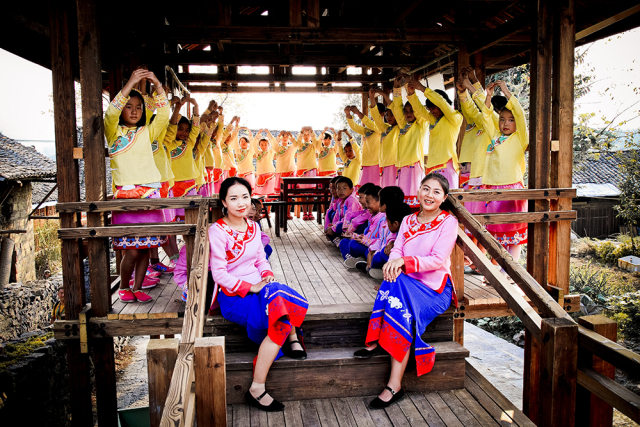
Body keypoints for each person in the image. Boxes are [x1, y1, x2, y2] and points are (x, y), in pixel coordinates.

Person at [354, 173, 458, 409]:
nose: (429, 195)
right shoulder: (409, 220)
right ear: (418, 191)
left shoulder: (448, 222)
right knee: (394, 281)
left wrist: (402, 263)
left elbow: (437, 259)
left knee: (394, 282)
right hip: (405, 282)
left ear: (444, 197)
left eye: (436, 191)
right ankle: (394, 384)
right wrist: (394, 262)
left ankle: (378, 344)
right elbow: (397, 248)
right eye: (425, 189)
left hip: (434, 288)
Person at [209, 177, 309, 412]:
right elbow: (219, 275)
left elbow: (260, 259)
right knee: (280, 308)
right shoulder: (218, 230)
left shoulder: (254, 227)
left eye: (245, 196)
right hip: (234, 297)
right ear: (224, 201)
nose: (241, 203)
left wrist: (266, 274)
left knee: (275, 295)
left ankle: (257, 388)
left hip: (262, 291)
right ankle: (292, 338)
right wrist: (252, 287)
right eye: (233, 198)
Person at [104, 69, 170, 303]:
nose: (134, 111)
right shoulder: (113, 132)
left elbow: (163, 114)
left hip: (150, 196)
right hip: (126, 199)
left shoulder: (147, 131)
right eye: (129, 107)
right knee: (131, 248)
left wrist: (157, 85)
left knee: (146, 247)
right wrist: (132, 82)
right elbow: (110, 113)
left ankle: (138, 286)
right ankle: (124, 286)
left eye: (139, 107)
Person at [482, 80, 529, 271]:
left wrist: (506, 91)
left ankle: (511, 273)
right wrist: (488, 96)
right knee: (497, 234)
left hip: (512, 189)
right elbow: (485, 117)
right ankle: (500, 270)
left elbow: (520, 112)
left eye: (510, 120)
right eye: (502, 119)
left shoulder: (520, 138)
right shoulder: (494, 137)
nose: (506, 123)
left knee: (514, 234)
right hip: (493, 190)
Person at [407, 75, 463, 191]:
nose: (432, 111)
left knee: (449, 202)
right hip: (432, 166)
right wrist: (411, 95)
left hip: (446, 165)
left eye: (434, 108)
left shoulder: (455, 118)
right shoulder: (434, 120)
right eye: (430, 108)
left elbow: (441, 102)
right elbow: (419, 110)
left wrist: (423, 89)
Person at [390, 74, 429, 207]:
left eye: (411, 110)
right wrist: (396, 89)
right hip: (401, 167)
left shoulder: (421, 124)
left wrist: (410, 91)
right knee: (402, 201)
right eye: (406, 111)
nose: (408, 113)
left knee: (415, 202)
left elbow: (418, 109)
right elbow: (396, 107)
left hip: (414, 166)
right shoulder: (402, 124)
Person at [167, 96, 201, 221]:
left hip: (189, 184)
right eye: (180, 129)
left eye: (187, 130)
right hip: (171, 185)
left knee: (189, 218)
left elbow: (196, 128)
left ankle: (190, 241)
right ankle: (173, 241)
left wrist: (196, 107)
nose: (183, 132)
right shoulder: (167, 143)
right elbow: (168, 124)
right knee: (172, 218)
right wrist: (177, 108)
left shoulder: (189, 142)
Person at [365, 202, 412, 279]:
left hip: (405, 266)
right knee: (376, 253)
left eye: (387, 221)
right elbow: (391, 237)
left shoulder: (409, 234)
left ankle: (385, 276)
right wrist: (391, 242)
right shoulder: (398, 229)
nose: (386, 224)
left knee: (382, 253)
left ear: (396, 224)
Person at [341, 185, 385, 267]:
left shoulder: (383, 219)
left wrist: (365, 241)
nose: (366, 205)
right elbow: (367, 235)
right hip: (368, 244)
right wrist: (357, 236)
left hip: (374, 248)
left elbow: (381, 241)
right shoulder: (372, 216)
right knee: (344, 242)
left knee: (359, 247)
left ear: (379, 202)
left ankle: (362, 262)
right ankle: (359, 260)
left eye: (368, 202)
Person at [346, 90, 381, 186]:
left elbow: (371, 124)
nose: (373, 117)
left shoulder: (381, 128)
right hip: (365, 163)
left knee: (375, 190)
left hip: (376, 163)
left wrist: (358, 112)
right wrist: (348, 115)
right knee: (364, 191)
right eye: (372, 115)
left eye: (376, 115)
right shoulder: (367, 130)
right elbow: (355, 127)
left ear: (382, 115)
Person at [372, 89, 400, 188]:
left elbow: (396, 108)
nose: (389, 117)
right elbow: (376, 117)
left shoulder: (399, 127)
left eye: (392, 114)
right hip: (384, 163)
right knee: (385, 189)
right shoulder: (386, 128)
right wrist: (372, 98)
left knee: (392, 189)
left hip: (393, 163)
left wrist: (384, 94)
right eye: (387, 115)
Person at [294, 126, 320, 220]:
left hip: (312, 170)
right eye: (304, 134)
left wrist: (312, 131)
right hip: (301, 171)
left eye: (308, 134)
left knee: (311, 193)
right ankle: (304, 213)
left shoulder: (313, 145)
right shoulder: (299, 145)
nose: (306, 136)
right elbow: (297, 141)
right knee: (303, 193)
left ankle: (310, 212)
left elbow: (317, 143)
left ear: (310, 136)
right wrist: (301, 131)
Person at [274, 131, 298, 219]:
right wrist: (279, 135)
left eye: (286, 136)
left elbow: (296, 144)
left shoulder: (291, 147)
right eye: (283, 136)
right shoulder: (278, 148)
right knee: (280, 195)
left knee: (289, 195)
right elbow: (273, 145)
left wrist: (291, 136)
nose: (285, 137)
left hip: (290, 172)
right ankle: (281, 213)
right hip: (280, 172)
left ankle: (288, 213)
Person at [254, 130, 278, 199]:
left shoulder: (270, 152)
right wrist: (258, 134)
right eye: (261, 144)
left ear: (268, 145)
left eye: (265, 144)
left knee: (269, 194)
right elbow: (253, 144)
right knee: (260, 194)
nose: (263, 146)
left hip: (269, 175)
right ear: (259, 145)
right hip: (260, 175)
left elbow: (275, 143)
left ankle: (269, 210)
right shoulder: (258, 153)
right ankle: (262, 209)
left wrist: (269, 134)